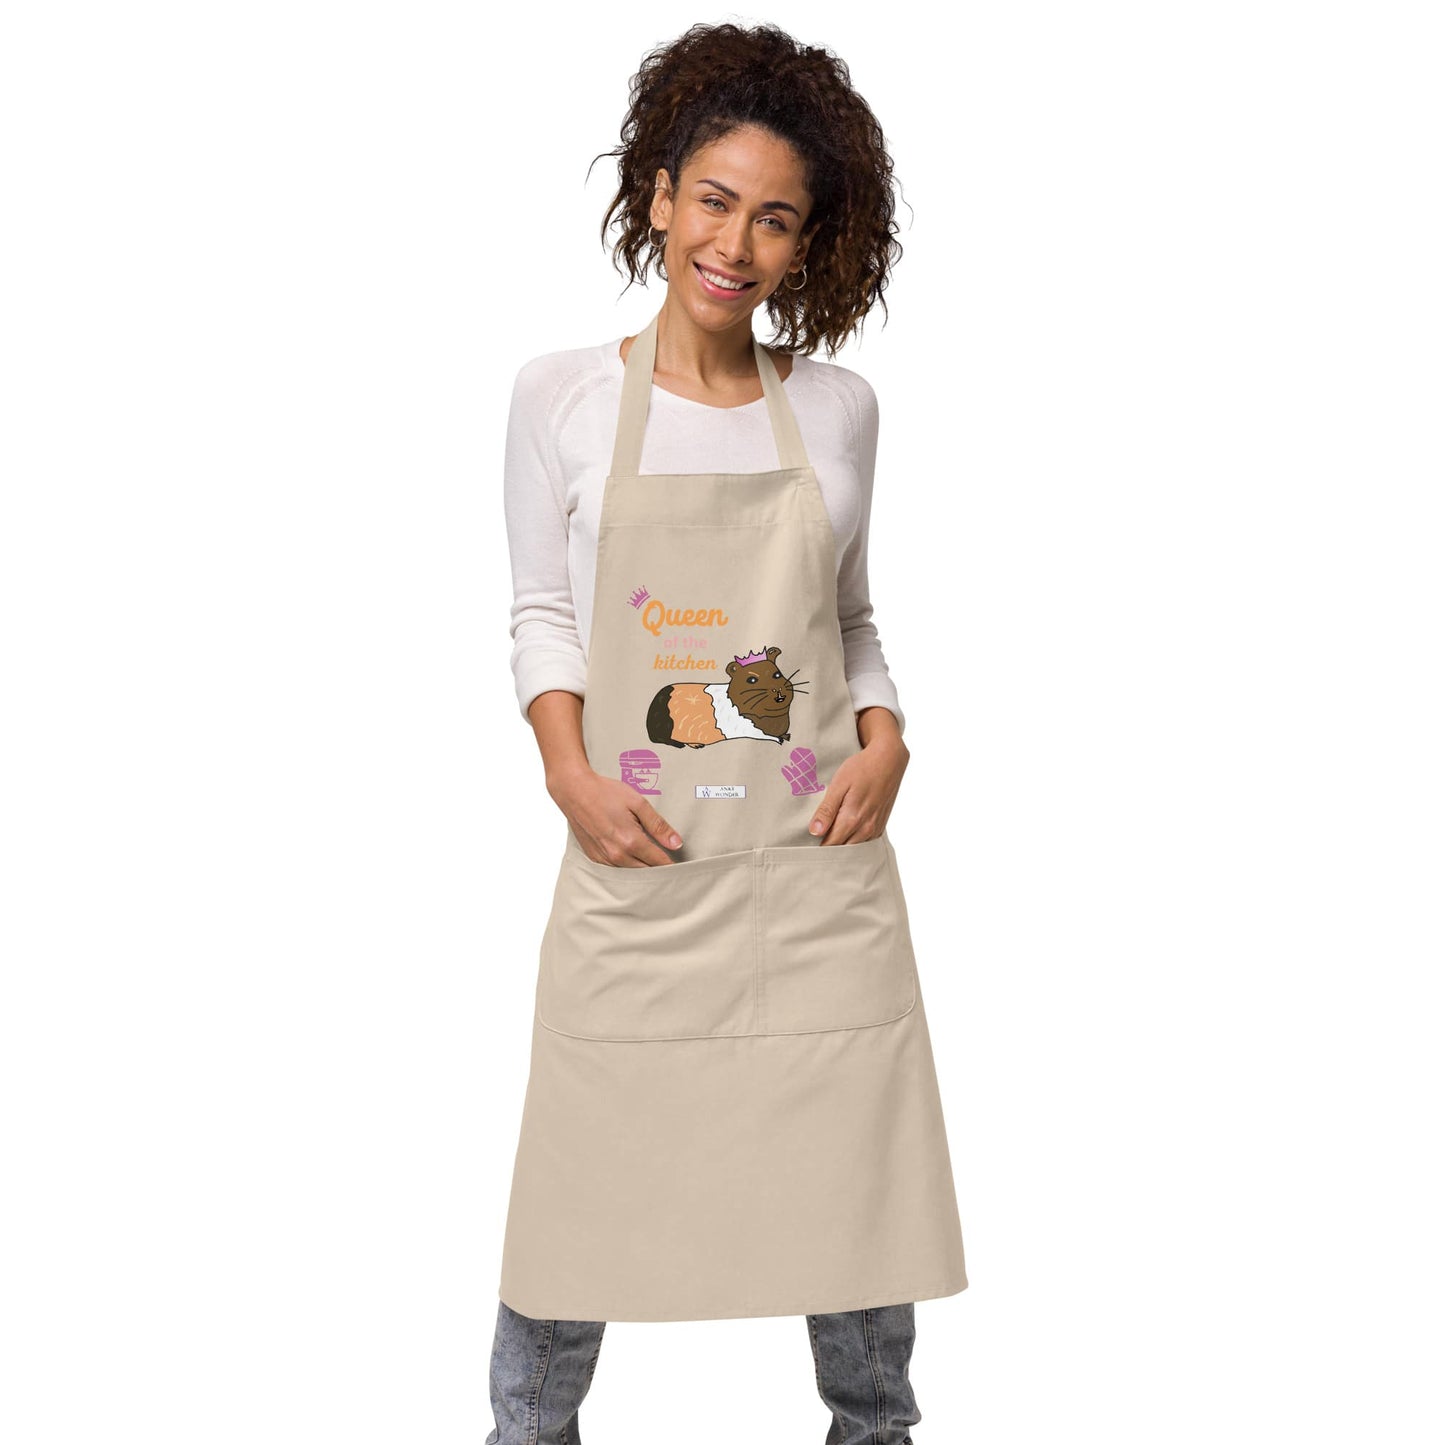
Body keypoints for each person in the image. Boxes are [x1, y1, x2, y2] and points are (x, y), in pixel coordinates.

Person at [489, 22, 967, 1445]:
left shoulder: (837, 408)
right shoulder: (561, 396)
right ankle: (528, 1432)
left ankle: (873, 1432)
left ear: (809, 240)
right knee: (577, 1190)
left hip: (810, 865)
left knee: (854, 1193)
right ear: (656, 195)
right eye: (714, 199)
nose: (736, 244)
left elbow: (853, 618)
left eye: (776, 218)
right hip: (639, 868)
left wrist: (887, 737)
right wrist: (568, 769)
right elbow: (537, 610)